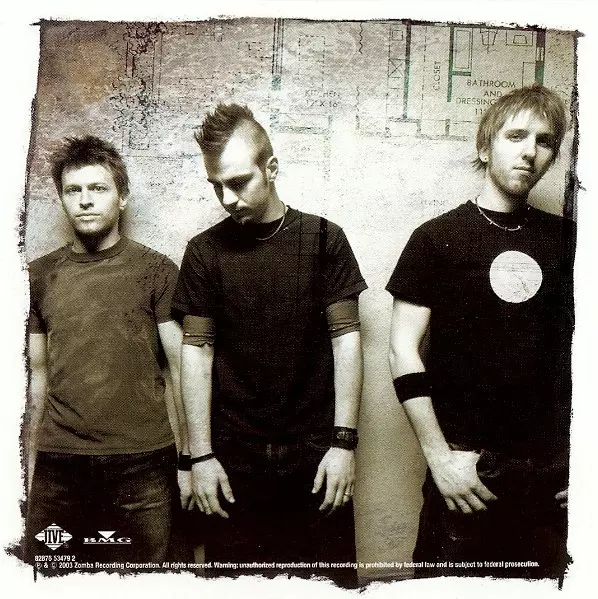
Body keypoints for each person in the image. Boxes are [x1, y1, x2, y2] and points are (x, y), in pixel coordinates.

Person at [172, 104, 367, 587]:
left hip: (317, 457)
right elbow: (196, 353)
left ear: (271, 169)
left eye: (238, 182)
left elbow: (347, 343)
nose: (227, 198)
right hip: (232, 461)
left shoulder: (324, 240)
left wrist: (343, 445)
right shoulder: (204, 251)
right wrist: (200, 457)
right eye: (216, 186)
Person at [387, 85, 575, 581]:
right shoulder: (436, 238)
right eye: (516, 136)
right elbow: (402, 349)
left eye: (544, 141)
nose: (530, 151)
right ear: (485, 146)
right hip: (467, 473)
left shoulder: (571, 242)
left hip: (552, 479)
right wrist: (439, 459)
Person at [25, 136, 192, 570]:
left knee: (147, 585)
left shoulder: (156, 270)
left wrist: (189, 461)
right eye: (73, 190)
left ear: (122, 196)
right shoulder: (38, 276)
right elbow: (37, 380)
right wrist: (29, 469)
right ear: (62, 199)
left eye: (98, 188)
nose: (85, 200)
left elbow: (180, 370)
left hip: (143, 461)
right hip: (60, 464)